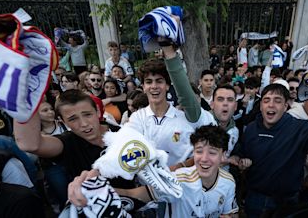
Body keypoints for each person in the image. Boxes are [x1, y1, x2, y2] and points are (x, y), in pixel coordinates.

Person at [230, 76, 308, 217]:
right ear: (261, 105)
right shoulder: (252, 128)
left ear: (286, 106)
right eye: (266, 100)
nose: (271, 105)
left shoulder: (300, 129)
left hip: (288, 201)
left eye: (278, 101)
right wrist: (239, 158)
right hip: (256, 199)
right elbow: (243, 150)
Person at [13, 90, 144, 212]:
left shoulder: (122, 133)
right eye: (73, 119)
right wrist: (24, 97)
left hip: (140, 205)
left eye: (87, 114)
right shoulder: (67, 143)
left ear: (98, 111)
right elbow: (30, 144)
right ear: (62, 121)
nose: (83, 123)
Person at [69, 125, 239, 217]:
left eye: (212, 152)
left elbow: (230, 212)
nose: (204, 158)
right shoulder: (178, 180)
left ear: (223, 155)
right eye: (199, 151)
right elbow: (137, 194)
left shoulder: (228, 181)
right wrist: (96, 191)